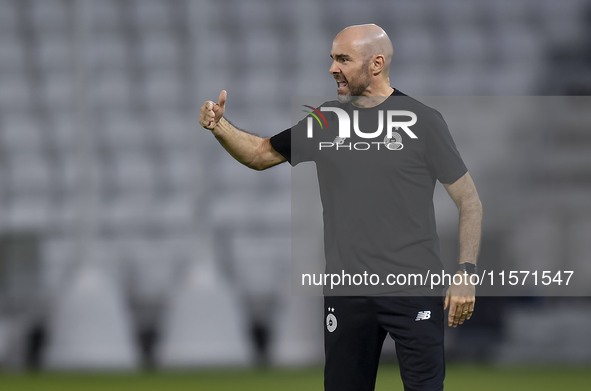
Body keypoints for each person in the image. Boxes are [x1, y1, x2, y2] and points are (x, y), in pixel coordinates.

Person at [199, 24, 482, 391]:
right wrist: (220, 128)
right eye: (332, 58)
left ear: (376, 64)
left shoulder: (423, 121)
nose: (333, 68)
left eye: (343, 59)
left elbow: (469, 200)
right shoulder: (326, 122)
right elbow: (258, 154)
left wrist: (466, 272)